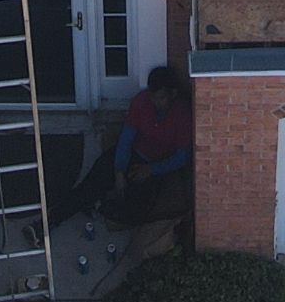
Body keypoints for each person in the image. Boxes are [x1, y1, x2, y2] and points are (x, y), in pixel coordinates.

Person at [59, 67, 193, 225]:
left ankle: (100, 205)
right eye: (153, 98)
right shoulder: (141, 101)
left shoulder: (183, 115)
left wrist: (151, 170)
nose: (156, 103)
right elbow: (126, 138)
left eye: (161, 98)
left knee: (137, 211)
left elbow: (183, 156)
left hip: (156, 166)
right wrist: (119, 171)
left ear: (173, 94)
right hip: (132, 153)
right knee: (91, 183)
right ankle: (49, 221)